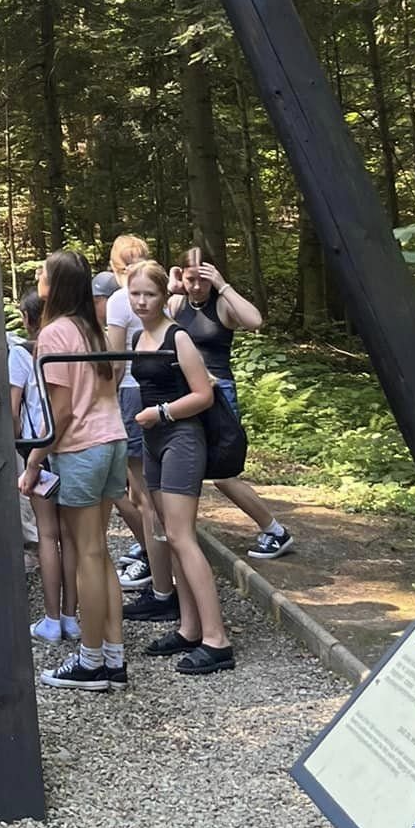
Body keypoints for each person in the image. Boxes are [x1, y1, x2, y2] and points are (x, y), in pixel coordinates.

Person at [21, 251, 127, 693]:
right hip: (113, 439)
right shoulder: (92, 328)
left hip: (82, 447)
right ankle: (113, 656)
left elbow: (60, 412)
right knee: (99, 552)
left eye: (43, 273)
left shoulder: (54, 334)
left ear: (56, 284)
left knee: (86, 554)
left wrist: (34, 461)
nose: (37, 276)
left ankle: (91, 660)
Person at [129, 259, 235, 674]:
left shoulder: (179, 337)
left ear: (163, 295)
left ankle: (217, 639)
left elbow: (203, 394)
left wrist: (162, 413)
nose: (142, 301)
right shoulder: (138, 336)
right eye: (135, 293)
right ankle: (189, 628)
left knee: (182, 536)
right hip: (153, 440)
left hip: (181, 438)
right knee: (167, 535)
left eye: (149, 294)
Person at [169, 250, 293, 557]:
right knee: (184, 464)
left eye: (203, 279)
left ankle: (275, 530)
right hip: (184, 392)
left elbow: (255, 320)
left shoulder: (221, 304)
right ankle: (178, 535)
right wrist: (172, 285)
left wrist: (222, 285)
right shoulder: (177, 304)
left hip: (218, 393)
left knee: (223, 473)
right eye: (191, 279)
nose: (197, 286)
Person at [102, 233, 177, 618]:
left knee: (146, 497)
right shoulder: (167, 298)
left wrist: (105, 403)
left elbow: (117, 361)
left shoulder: (120, 299)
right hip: (162, 393)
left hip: (134, 394)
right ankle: (165, 578)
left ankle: (161, 586)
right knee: (154, 495)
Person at [11, 289, 72, 648]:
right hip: (72, 444)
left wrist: (19, 448)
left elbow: (13, 412)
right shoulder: (68, 346)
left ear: (26, 318)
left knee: (47, 535)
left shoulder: (20, 353)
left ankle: (51, 620)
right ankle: (71, 616)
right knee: (73, 537)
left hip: (39, 448)